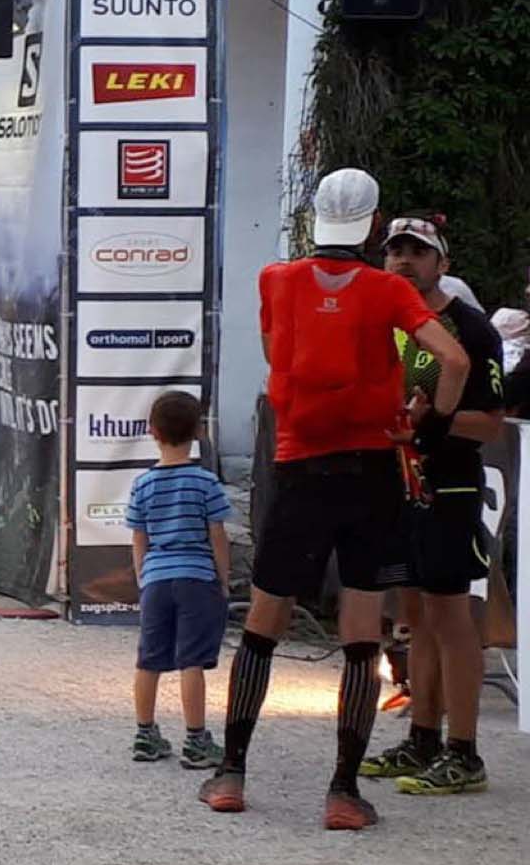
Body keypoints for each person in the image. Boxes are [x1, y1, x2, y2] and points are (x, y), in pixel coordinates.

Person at [201, 169, 470, 829]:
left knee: (263, 623)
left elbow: (276, 354)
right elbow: (455, 361)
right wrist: (427, 425)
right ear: (374, 225)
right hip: (371, 469)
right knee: (360, 630)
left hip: (299, 465)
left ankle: (231, 773)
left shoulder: (277, 280)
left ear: (314, 218)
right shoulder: (388, 290)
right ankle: (343, 791)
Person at [357, 215, 505, 796]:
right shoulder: (381, 320)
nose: (403, 260)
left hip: (450, 483)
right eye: (394, 250)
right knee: (414, 617)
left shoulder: (469, 327)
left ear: (442, 263)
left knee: (451, 617)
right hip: (394, 484)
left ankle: (464, 752)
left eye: (417, 252)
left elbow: (489, 424)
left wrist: (430, 424)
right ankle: (422, 738)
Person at [126, 391, 232, 770]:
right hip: (196, 578)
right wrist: (223, 580)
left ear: (152, 432)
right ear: (199, 432)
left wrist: (143, 578)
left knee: (148, 659)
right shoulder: (206, 482)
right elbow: (217, 535)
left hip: (156, 580)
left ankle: (144, 733)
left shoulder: (142, 484)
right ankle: (196, 739)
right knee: (192, 660)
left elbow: (139, 537)